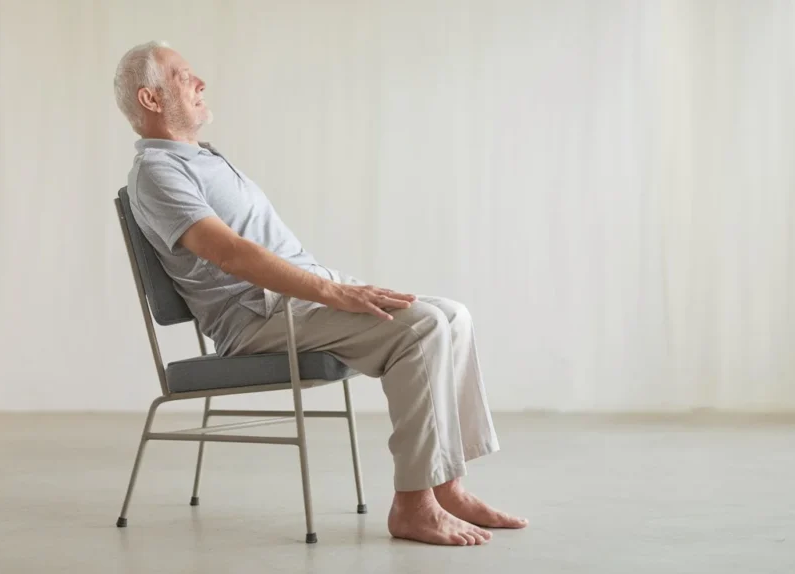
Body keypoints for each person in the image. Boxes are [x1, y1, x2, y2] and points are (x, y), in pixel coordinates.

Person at [113, 41, 528, 546]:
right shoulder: (157, 172)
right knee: (420, 328)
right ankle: (413, 504)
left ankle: (448, 486)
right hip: (255, 320)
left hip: (297, 303)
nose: (200, 82)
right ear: (151, 99)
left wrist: (333, 288)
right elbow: (231, 254)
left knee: (453, 316)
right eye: (183, 76)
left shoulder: (200, 158)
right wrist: (333, 292)